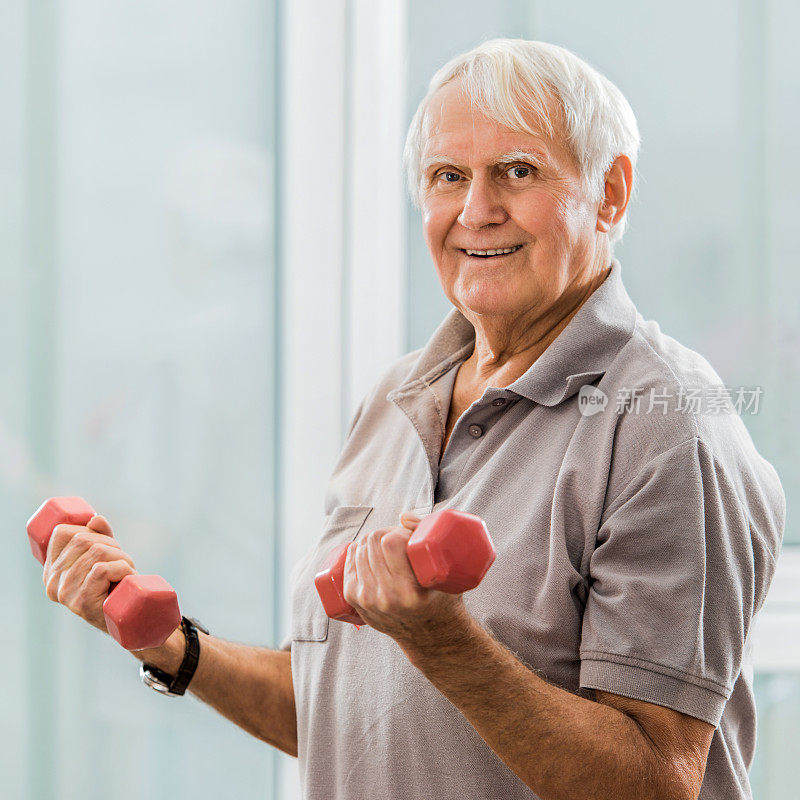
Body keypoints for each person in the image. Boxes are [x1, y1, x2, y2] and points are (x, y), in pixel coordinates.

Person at [41, 38, 784, 800]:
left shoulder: (667, 428)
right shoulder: (399, 396)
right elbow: (350, 711)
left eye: (517, 172)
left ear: (610, 193)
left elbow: (657, 784)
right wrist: (175, 648)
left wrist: (445, 643)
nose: (476, 211)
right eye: (448, 177)